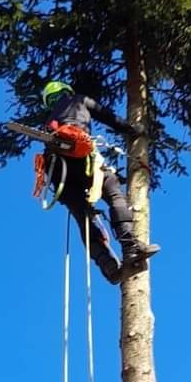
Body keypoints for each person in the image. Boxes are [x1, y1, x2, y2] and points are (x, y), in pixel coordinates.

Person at [41, 80, 160, 284]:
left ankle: (108, 266)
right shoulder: (79, 100)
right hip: (80, 156)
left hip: (57, 171)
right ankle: (130, 247)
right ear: (67, 91)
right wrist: (132, 128)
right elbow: (107, 116)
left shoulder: (51, 119)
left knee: (83, 218)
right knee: (113, 192)